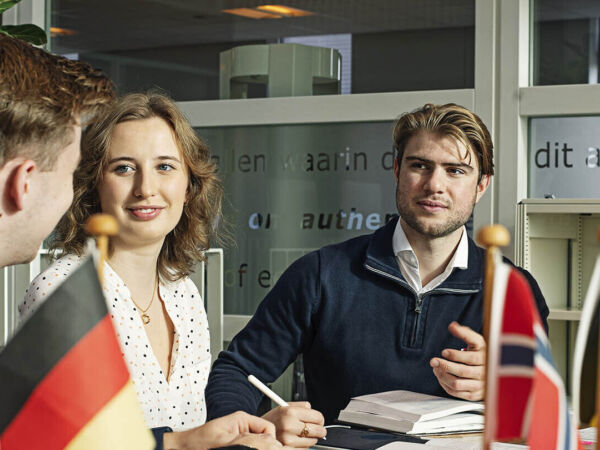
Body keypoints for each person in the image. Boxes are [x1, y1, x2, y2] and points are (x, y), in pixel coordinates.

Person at [205, 103, 550, 445]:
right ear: (398, 169)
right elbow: (237, 373)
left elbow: (543, 411)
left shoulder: (513, 291)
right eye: (420, 165)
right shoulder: (321, 274)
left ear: (482, 185)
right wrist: (252, 433)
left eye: (455, 170)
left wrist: (508, 387)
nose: (434, 185)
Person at [16, 91, 281, 449]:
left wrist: (259, 429)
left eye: (165, 166)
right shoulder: (65, 290)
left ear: (189, 186)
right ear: (95, 185)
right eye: (123, 168)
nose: (145, 188)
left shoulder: (183, 293)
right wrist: (180, 443)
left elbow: (197, 432)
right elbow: (55, 443)